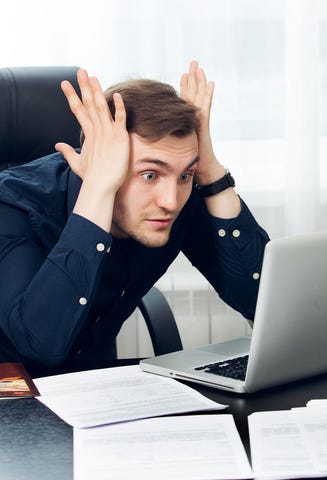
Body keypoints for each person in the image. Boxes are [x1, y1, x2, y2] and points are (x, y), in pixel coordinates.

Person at [0, 61, 269, 370]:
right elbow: (40, 346)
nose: (170, 202)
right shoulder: (12, 204)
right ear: (102, 161)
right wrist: (97, 191)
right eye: (150, 175)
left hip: (98, 391)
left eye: (185, 174)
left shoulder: (177, 198)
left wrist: (210, 173)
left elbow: (260, 301)